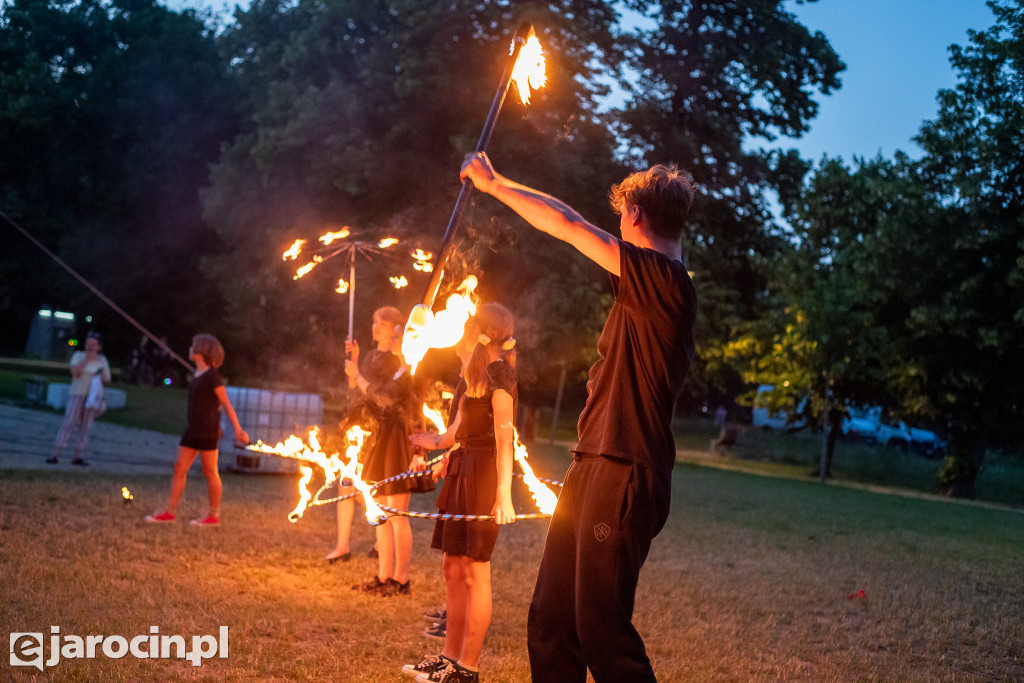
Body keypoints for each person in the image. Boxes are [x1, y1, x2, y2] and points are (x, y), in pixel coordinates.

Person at [461, 152, 698, 683]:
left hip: (626, 468)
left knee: (601, 631)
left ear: (634, 213)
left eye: (620, 216)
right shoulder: (647, 288)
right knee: (552, 620)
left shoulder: (667, 284)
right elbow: (573, 223)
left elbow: (568, 225)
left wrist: (493, 183)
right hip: (593, 462)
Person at [403, 302, 517, 683]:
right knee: (452, 566)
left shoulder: (501, 373)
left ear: (477, 330)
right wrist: (429, 442)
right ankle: (448, 659)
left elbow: (504, 438)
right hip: (461, 468)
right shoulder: (470, 377)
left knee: (474, 570)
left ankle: (467, 669)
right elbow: (454, 434)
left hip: (484, 474)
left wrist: (504, 494)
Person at [345, 306, 428, 596]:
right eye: (375, 321)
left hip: (398, 441)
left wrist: (358, 373)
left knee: (396, 513)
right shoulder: (384, 361)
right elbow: (364, 394)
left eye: (383, 324)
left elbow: (386, 399)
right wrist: (354, 367)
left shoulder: (406, 366)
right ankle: (383, 576)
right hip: (379, 438)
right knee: (378, 509)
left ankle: (401, 580)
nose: (376, 327)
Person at [145, 334, 249, 526]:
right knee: (179, 467)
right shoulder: (197, 374)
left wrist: (238, 430)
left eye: (193, 346)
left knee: (210, 471)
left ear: (201, 352)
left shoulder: (212, 376)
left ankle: (213, 516)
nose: (190, 348)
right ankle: (170, 512)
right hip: (192, 430)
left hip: (207, 431)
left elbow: (225, 403)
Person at [47, 331, 111, 466]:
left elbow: (107, 378)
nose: (90, 347)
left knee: (86, 427)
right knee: (69, 422)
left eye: (93, 345)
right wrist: (87, 360)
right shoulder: (78, 356)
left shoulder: (102, 360)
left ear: (99, 346)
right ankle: (56, 454)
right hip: (78, 393)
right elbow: (75, 372)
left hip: (92, 397)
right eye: (88, 344)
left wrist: (99, 375)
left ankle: (78, 455)